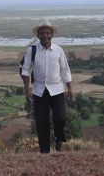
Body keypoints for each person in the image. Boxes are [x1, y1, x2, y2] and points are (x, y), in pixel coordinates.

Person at [21, 20, 72, 153]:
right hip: (39, 91)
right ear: (38, 35)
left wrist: (69, 88)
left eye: (48, 33)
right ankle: (44, 151)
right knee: (41, 122)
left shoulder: (58, 50)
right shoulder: (32, 50)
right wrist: (27, 90)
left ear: (52, 35)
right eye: (42, 33)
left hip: (57, 90)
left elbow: (65, 70)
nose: (45, 36)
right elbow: (25, 70)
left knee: (60, 117)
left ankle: (58, 138)